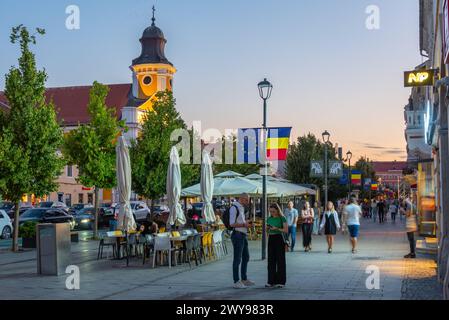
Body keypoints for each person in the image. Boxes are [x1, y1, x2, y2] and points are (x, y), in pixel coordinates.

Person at [229, 194, 254, 289]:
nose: (248, 202)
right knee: (237, 259)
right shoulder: (234, 208)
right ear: (241, 199)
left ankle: (244, 279)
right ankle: (236, 281)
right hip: (237, 235)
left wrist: (246, 223)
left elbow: (240, 221)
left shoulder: (242, 208)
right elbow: (232, 224)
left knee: (246, 257)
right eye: (246, 200)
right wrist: (244, 224)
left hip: (243, 234)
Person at [266, 203, 288, 288]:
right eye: (270, 211)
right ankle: (271, 281)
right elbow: (267, 231)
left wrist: (277, 229)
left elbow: (286, 230)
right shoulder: (269, 219)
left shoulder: (282, 218)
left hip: (279, 238)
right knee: (271, 261)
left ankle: (281, 281)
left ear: (277, 210)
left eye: (273, 211)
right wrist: (268, 229)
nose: (272, 213)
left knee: (280, 260)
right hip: (271, 239)